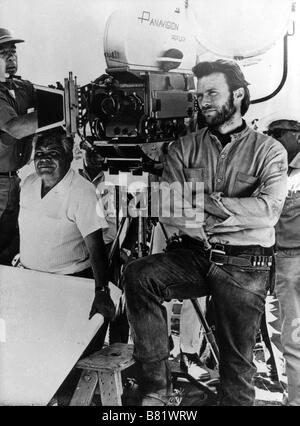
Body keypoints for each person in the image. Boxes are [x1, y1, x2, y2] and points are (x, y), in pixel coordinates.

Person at [122, 59, 288, 406]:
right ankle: (158, 387)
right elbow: (170, 206)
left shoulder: (269, 150)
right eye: (200, 95)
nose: (204, 101)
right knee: (139, 274)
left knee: (236, 367)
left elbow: (269, 211)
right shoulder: (184, 147)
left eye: (213, 92)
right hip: (195, 254)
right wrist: (233, 212)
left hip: (246, 264)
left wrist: (207, 202)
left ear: (238, 95)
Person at [18, 129, 115, 321]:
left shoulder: (82, 191)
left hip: (68, 283)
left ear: (69, 157)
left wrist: (102, 291)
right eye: (39, 154)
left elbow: (96, 247)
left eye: (53, 153)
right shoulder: (28, 183)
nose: (44, 159)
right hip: (29, 280)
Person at [267, 119, 300, 405]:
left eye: (278, 134)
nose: (272, 139)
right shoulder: (277, 167)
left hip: (294, 262)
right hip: (276, 260)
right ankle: (289, 392)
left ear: (297, 136)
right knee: (280, 333)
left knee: (293, 338)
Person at [0, 28, 37, 265]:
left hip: (15, 180)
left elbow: (51, 97)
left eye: (13, 52)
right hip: (0, 183)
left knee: (11, 243)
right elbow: (15, 127)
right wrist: (61, 113)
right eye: (3, 53)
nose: (11, 57)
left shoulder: (21, 87)